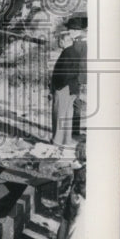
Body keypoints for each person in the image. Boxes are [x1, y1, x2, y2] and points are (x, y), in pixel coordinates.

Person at [50, 14, 87, 146]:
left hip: (69, 83)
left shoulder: (74, 48)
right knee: (70, 110)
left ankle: (62, 138)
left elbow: (67, 70)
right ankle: (67, 136)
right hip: (74, 83)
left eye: (71, 30)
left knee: (64, 111)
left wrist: (58, 86)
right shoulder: (76, 47)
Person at [57, 139, 87, 239]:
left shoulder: (82, 170)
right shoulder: (80, 168)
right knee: (68, 225)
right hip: (77, 198)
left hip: (78, 199)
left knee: (72, 230)